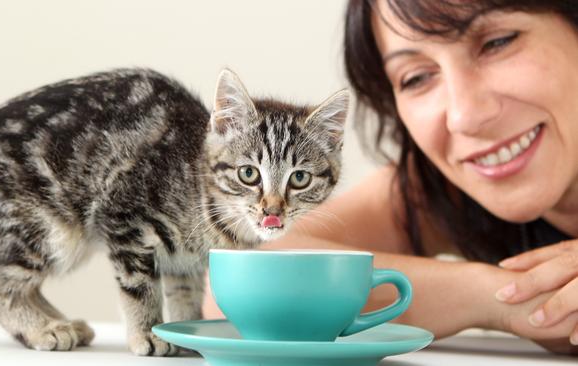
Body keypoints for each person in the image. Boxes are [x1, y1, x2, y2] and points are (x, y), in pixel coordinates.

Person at [203, 0, 578, 355]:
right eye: (416, 78)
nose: (464, 115)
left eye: (497, 43)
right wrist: (503, 297)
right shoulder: (438, 190)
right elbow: (238, 283)